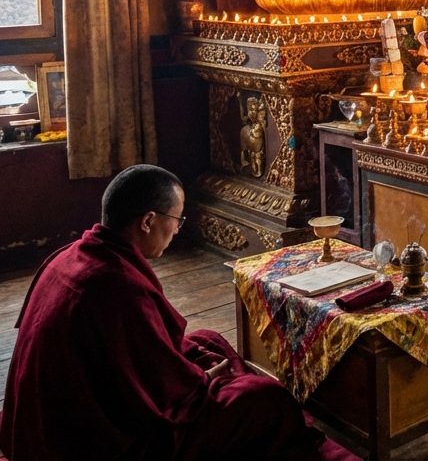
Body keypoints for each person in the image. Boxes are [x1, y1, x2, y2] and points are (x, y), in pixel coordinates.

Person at [0, 165, 353, 461]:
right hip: (93, 441)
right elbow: (159, 398)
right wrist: (200, 379)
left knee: (208, 340)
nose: (177, 229)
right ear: (148, 221)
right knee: (268, 400)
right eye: (177, 220)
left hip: (58, 411)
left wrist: (196, 368)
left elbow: (133, 354)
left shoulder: (74, 255)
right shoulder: (114, 285)